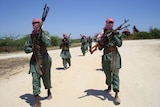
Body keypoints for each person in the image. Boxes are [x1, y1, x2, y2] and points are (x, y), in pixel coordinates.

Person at [24, 18, 52, 107]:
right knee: (35, 80)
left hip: (45, 60)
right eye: (34, 24)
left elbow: (48, 43)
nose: (35, 25)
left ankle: (48, 90)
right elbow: (26, 49)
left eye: (37, 24)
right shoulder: (31, 36)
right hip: (35, 61)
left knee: (46, 78)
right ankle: (37, 101)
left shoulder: (45, 33)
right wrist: (32, 48)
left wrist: (41, 34)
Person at [97, 18, 122, 105]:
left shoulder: (116, 32)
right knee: (107, 74)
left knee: (115, 74)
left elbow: (119, 44)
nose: (110, 24)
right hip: (106, 57)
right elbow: (100, 48)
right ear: (106, 23)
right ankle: (109, 85)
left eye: (112, 23)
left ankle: (116, 95)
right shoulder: (102, 34)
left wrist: (114, 35)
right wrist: (101, 41)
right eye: (109, 22)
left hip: (115, 55)